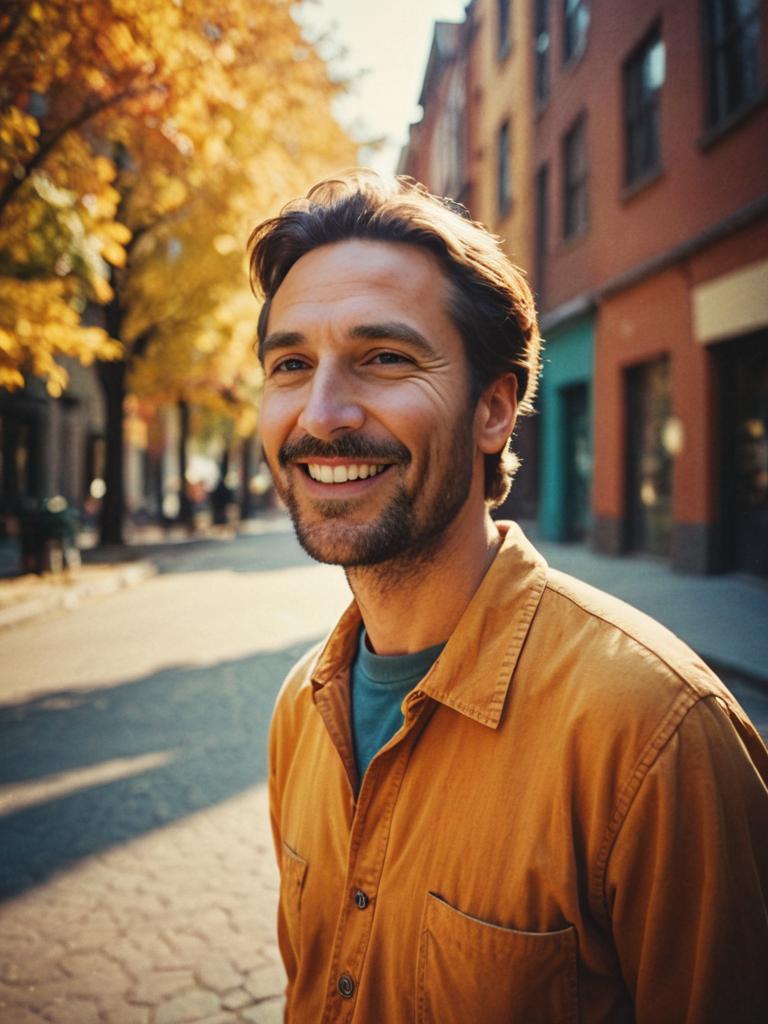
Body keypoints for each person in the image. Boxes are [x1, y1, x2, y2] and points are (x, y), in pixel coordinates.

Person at [249, 171, 768, 1023]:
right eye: (291, 364)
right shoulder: (300, 712)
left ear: (494, 411)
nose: (324, 412)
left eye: (384, 358)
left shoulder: (654, 735)